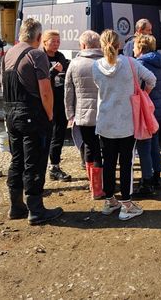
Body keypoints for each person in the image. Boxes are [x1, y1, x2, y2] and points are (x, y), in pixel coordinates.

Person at [1, 18, 62, 225]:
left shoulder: (7, 54)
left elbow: (3, 85)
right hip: (32, 115)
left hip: (11, 112)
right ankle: (36, 210)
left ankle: (16, 206)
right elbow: (45, 91)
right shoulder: (37, 55)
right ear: (38, 37)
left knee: (17, 159)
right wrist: (50, 114)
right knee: (34, 162)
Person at [92, 29, 156, 221]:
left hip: (104, 121)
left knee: (108, 161)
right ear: (119, 44)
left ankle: (110, 200)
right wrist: (144, 93)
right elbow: (152, 79)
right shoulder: (131, 63)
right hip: (127, 120)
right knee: (126, 162)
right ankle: (126, 204)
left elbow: (100, 87)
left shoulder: (95, 66)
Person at [64, 30, 104, 200]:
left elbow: (68, 91)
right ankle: (103, 185)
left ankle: (94, 187)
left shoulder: (74, 63)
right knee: (105, 149)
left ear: (83, 45)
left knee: (89, 147)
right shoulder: (105, 62)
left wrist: (70, 114)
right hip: (105, 114)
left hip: (83, 115)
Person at [133, 34, 161, 196]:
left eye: (134, 46)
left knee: (144, 147)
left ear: (140, 47)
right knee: (155, 146)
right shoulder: (160, 62)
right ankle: (157, 178)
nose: (133, 49)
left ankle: (147, 181)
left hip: (146, 111)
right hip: (160, 110)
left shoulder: (140, 64)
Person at [41, 30, 71, 182]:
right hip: (45, 102)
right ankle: (39, 168)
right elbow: (41, 79)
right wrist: (53, 71)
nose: (56, 44)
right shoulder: (40, 57)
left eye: (58, 41)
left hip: (60, 101)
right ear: (44, 42)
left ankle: (54, 166)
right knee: (44, 136)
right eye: (53, 41)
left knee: (58, 134)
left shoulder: (60, 56)